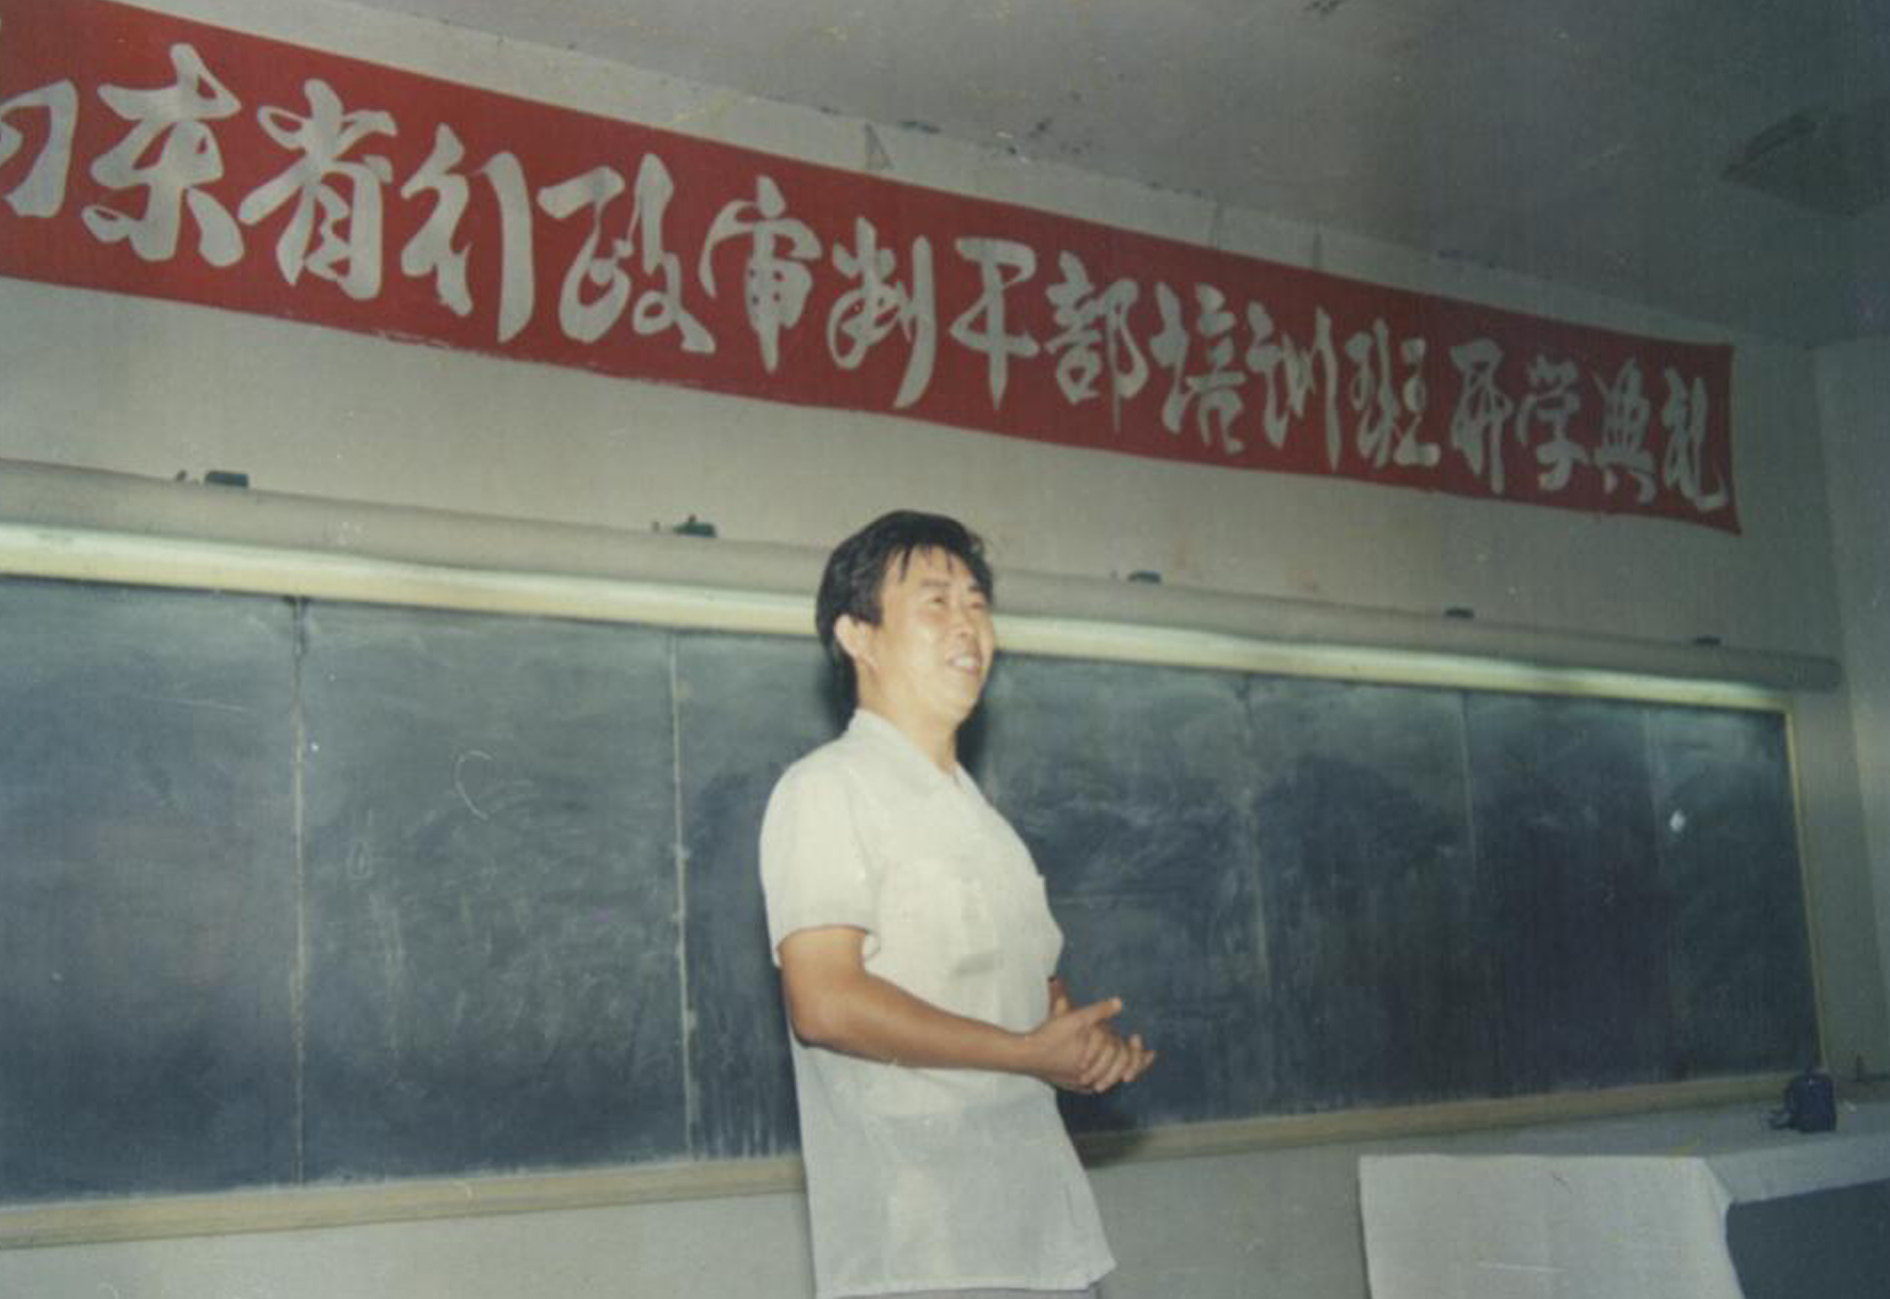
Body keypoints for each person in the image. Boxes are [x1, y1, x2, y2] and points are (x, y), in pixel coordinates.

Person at [760, 509, 1155, 1299]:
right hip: (925, 1247)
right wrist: (1025, 1052)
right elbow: (825, 1001)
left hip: (1048, 1239)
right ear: (858, 635)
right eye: (935, 601)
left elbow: (1038, 1005)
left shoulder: (989, 827)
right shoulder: (827, 789)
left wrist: (1081, 1048)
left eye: (977, 602)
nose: (968, 624)